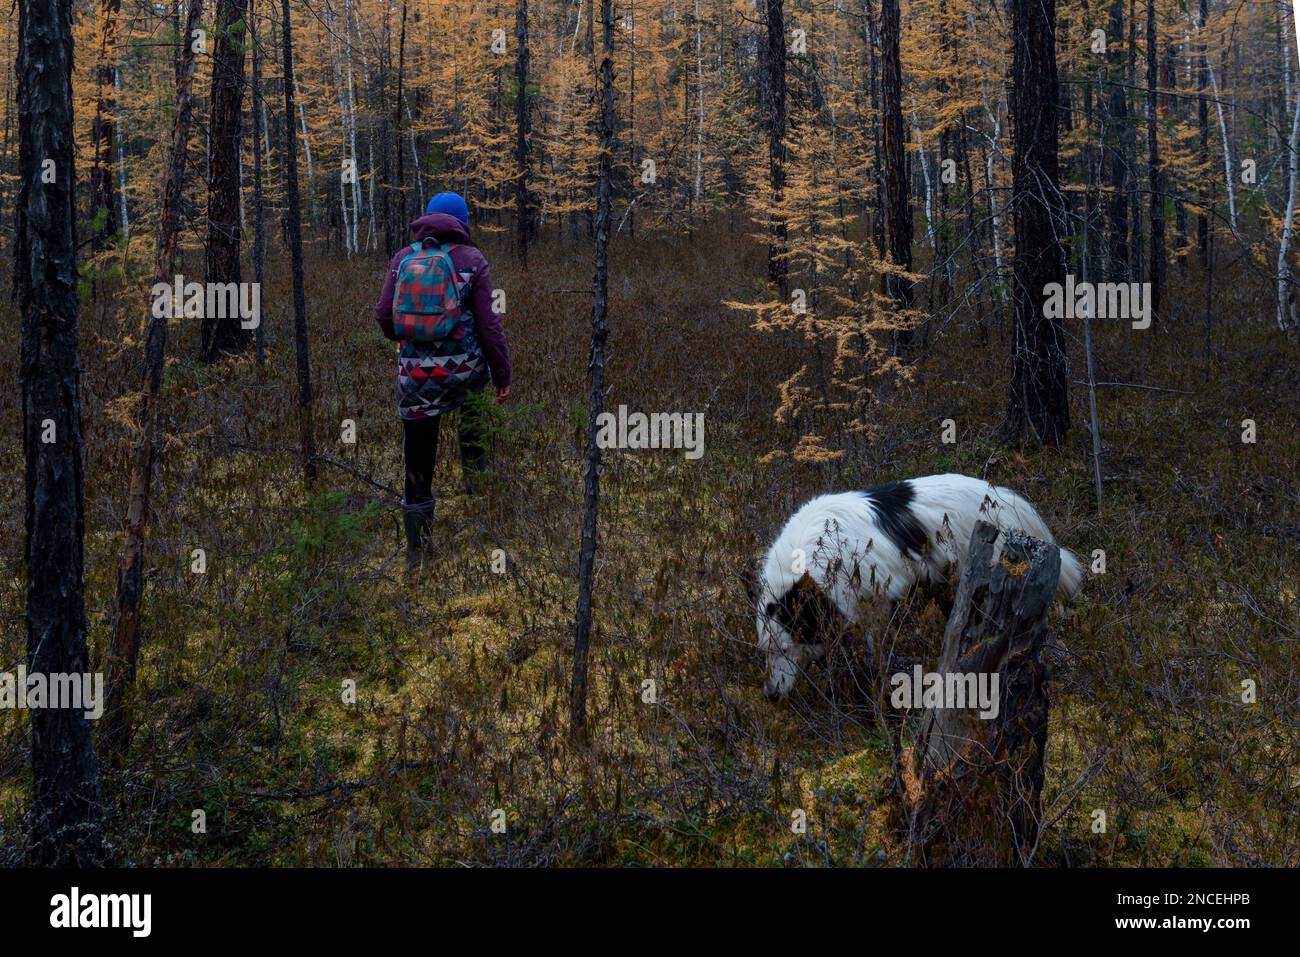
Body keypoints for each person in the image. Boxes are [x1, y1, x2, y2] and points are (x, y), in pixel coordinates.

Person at [373, 192, 511, 570]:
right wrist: (502, 374)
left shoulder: (403, 258)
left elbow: (384, 315)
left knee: (418, 458)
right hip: (466, 376)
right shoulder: (473, 260)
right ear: (463, 222)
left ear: (428, 218)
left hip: (417, 379)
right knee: (472, 425)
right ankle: (479, 496)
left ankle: (418, 548)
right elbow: (490, 326)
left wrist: (409, 342)